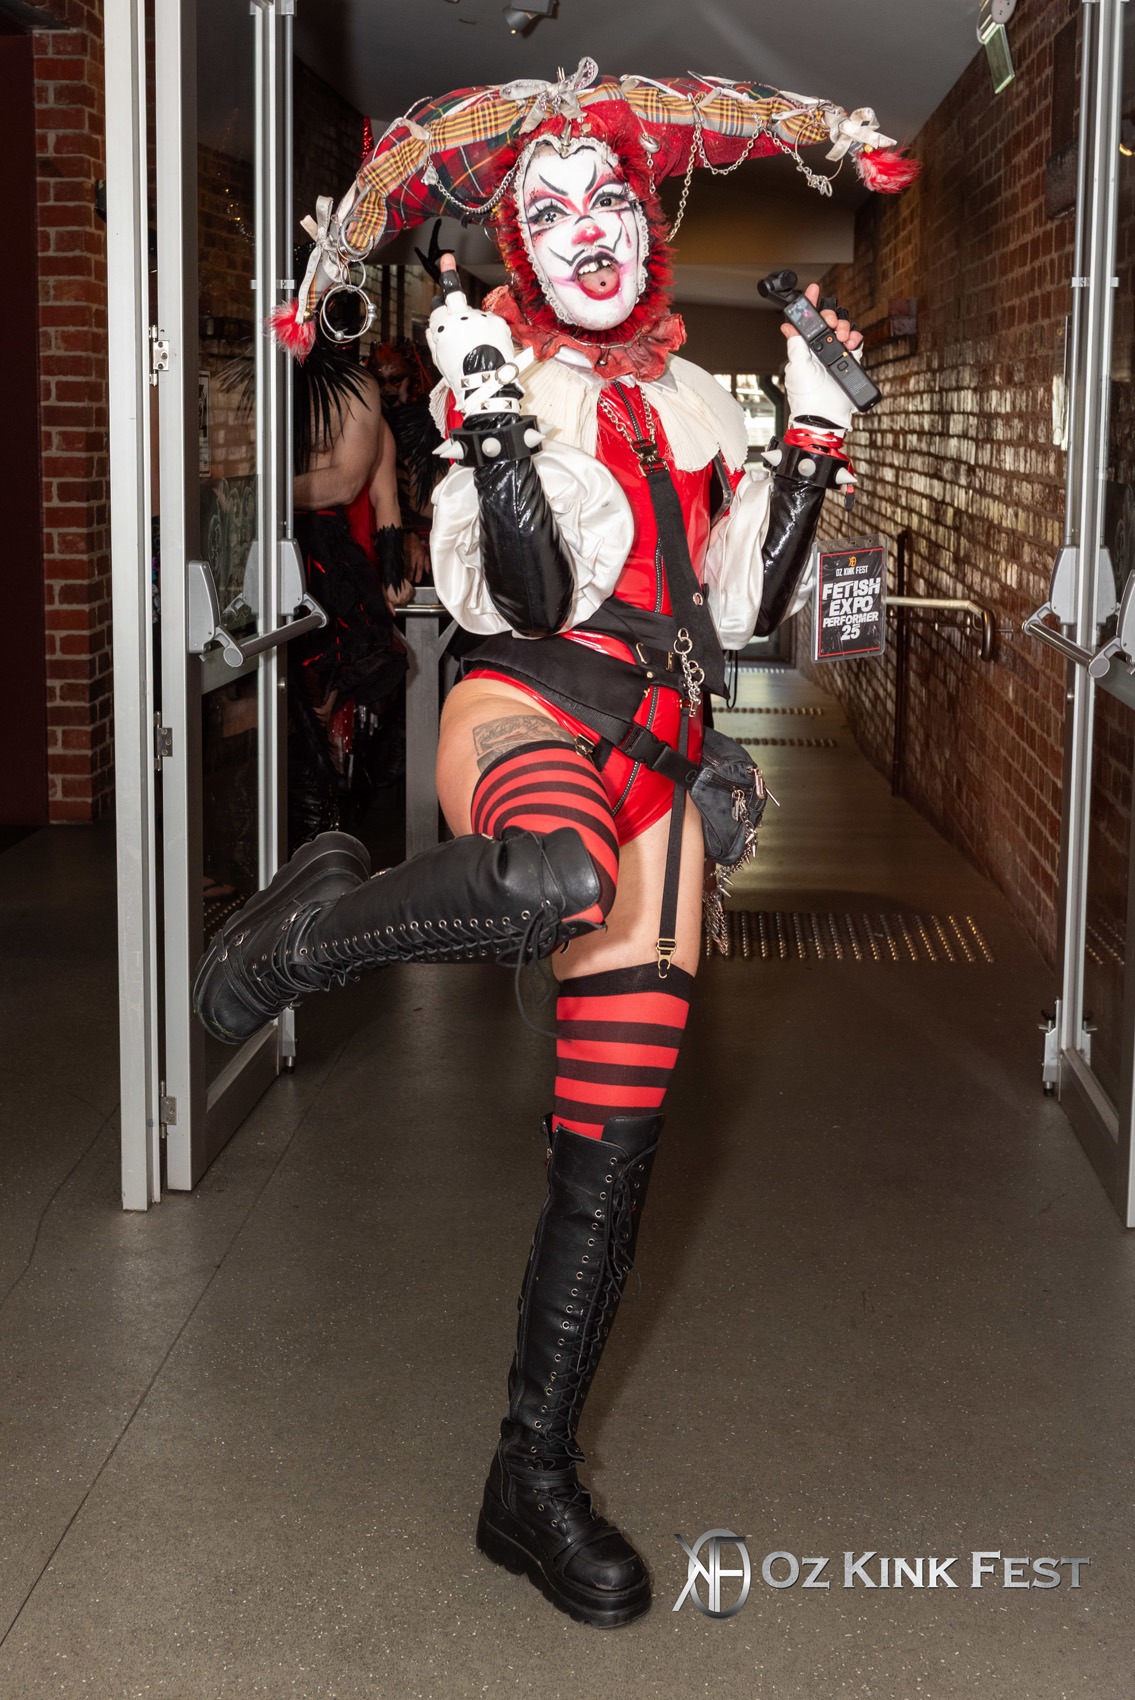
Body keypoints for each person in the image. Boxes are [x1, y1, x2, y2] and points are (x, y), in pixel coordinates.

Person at [196, 68, 913, 1627]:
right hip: (530, 703)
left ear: (648, 225)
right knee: (550, 878)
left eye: (608, 202)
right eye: (547, 207)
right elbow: (521, 598)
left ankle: (529, 1478)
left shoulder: (697, 393)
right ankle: (299, 933)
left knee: (611, 1152)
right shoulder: (493, 365)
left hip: (664, 752)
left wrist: (806, 434)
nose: (586, 229)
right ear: (515, 241)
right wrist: (500, 428)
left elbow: (741, 608)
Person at [289, 341, 412, 844]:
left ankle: (326, 827)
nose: (387, 387)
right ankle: (313, 826)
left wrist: (390, 575)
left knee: (329, 701)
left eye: (394, 379)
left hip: (340, 562)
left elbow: (382, 498)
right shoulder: (287, 394)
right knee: (301, 701)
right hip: (303, 555)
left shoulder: (367, 418)